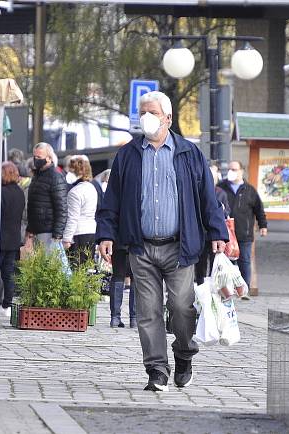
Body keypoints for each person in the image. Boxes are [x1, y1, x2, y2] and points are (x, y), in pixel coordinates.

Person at [96, 91, 228, 392]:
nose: (147, 117)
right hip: (141, 247)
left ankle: (183, 355)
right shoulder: (128, 155)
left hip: (180, 247)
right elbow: (111, 200)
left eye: (153, 112)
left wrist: (218, 232)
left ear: (168, 118)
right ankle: (156, 369)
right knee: (148, 311)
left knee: (182, 307)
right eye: (143, 111)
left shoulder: (188, 153)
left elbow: (208, 198)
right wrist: (105, 233)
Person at [217, 160, 267, 289]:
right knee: (225, 261)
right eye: (229, 169)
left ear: (241, 171)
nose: (231, 172)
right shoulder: (221, 187)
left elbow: (259, 209)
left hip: (244, 233)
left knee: (244, 261)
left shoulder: (249, 190)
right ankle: (226, 288)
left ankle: (244, 288)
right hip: (225, 233)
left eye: (234, 169)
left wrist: (263, 226)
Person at [25, 142, 68, 250]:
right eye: (34, 156)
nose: (35, 159)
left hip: (48, 231)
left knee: (48, 264)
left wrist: (57, 234)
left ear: (49, 158)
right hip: (37, 231)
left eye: (39, 157)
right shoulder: (37, 176)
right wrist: (30, 229)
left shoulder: (55, 177)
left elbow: (61, 208)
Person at [195, 162, 230, 285]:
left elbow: (227, 211)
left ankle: (214, 284)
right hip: (201, 233)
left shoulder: (220, 192)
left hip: (214, 232)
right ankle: (200, 284)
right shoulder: (197, 190)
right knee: (200, 262)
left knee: (215, 260)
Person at [0, 162, 25, 317]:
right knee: (9, 273)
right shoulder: (20, 192)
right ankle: (7, 304)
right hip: (14, 238)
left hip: (1, 237)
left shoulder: (2, 193)